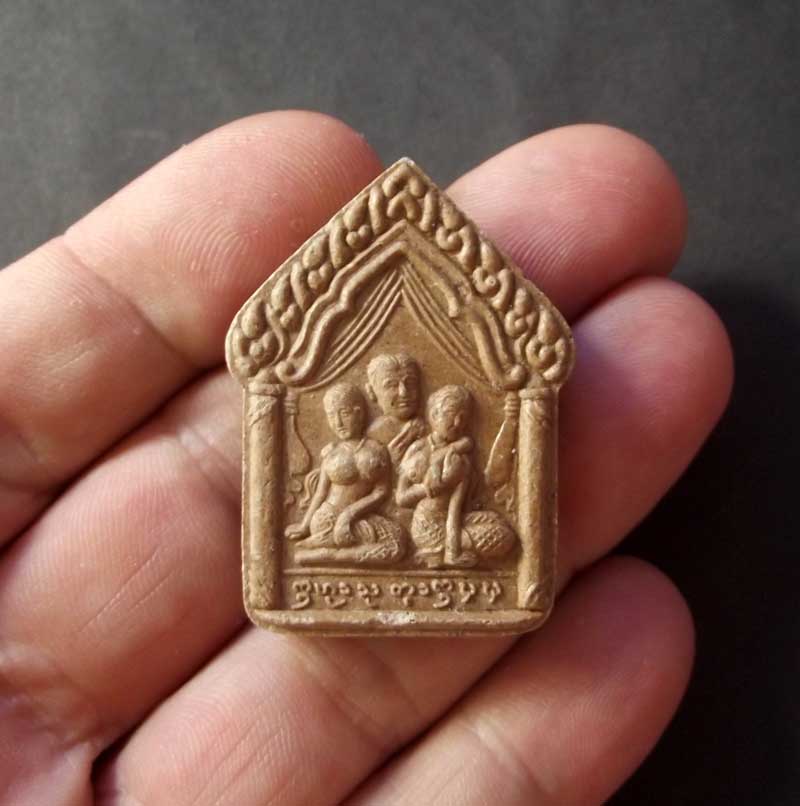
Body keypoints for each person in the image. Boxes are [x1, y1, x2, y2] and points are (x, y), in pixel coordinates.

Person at [0, 111, 732, 805]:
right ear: (369, 397)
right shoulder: (367, 443)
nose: (404, 397)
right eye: (388, 390)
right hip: (357, 535)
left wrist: (429, 495)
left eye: (414, 388)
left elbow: (451, 489)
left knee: (464, 537)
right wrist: (337, 512)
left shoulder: (437, 441)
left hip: (421, 536)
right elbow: (332, 493)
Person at [285, 382, 405, 566]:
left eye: (344, 413)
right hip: (328, 517)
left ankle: (326, 555)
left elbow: (381, 492)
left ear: (359, 413)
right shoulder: (332, 453)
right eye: (331, 415)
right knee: (391, 547)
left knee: (397, 541)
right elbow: (320, 493)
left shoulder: (377, 450)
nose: (338, 423)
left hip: (359, 516)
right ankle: (324, 548)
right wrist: (304, 526)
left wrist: (349, 514)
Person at [396, 384, 516, 568]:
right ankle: (434, 550)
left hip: (453, 520)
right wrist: (431, 488)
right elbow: (401, 498)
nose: (458, 422)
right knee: (504, 536)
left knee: (496, 520)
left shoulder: (460, 458)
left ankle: (442, 551)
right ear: (434, 415)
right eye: (451, 414)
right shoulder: (418, 449)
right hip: (427, 527)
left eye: (463, 417)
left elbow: (456, 507)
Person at [365, 352, 426, 464]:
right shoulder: (374, 435)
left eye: (410, 383)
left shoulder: (430, 428)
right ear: (371, 392)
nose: (403, 393)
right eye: (392, 385)